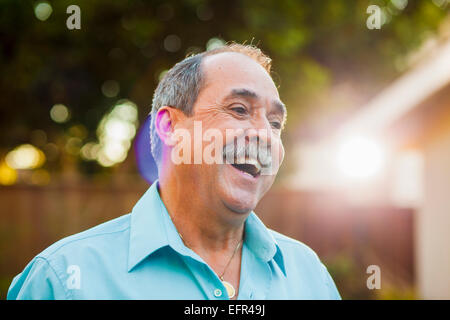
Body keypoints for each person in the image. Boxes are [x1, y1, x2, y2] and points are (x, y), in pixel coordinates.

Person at [7, 43, 341, 300]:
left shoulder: (310, 275)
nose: (265, 136)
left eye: (275, 123)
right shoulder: (63, 279)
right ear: (170, 126)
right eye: (239, 109)